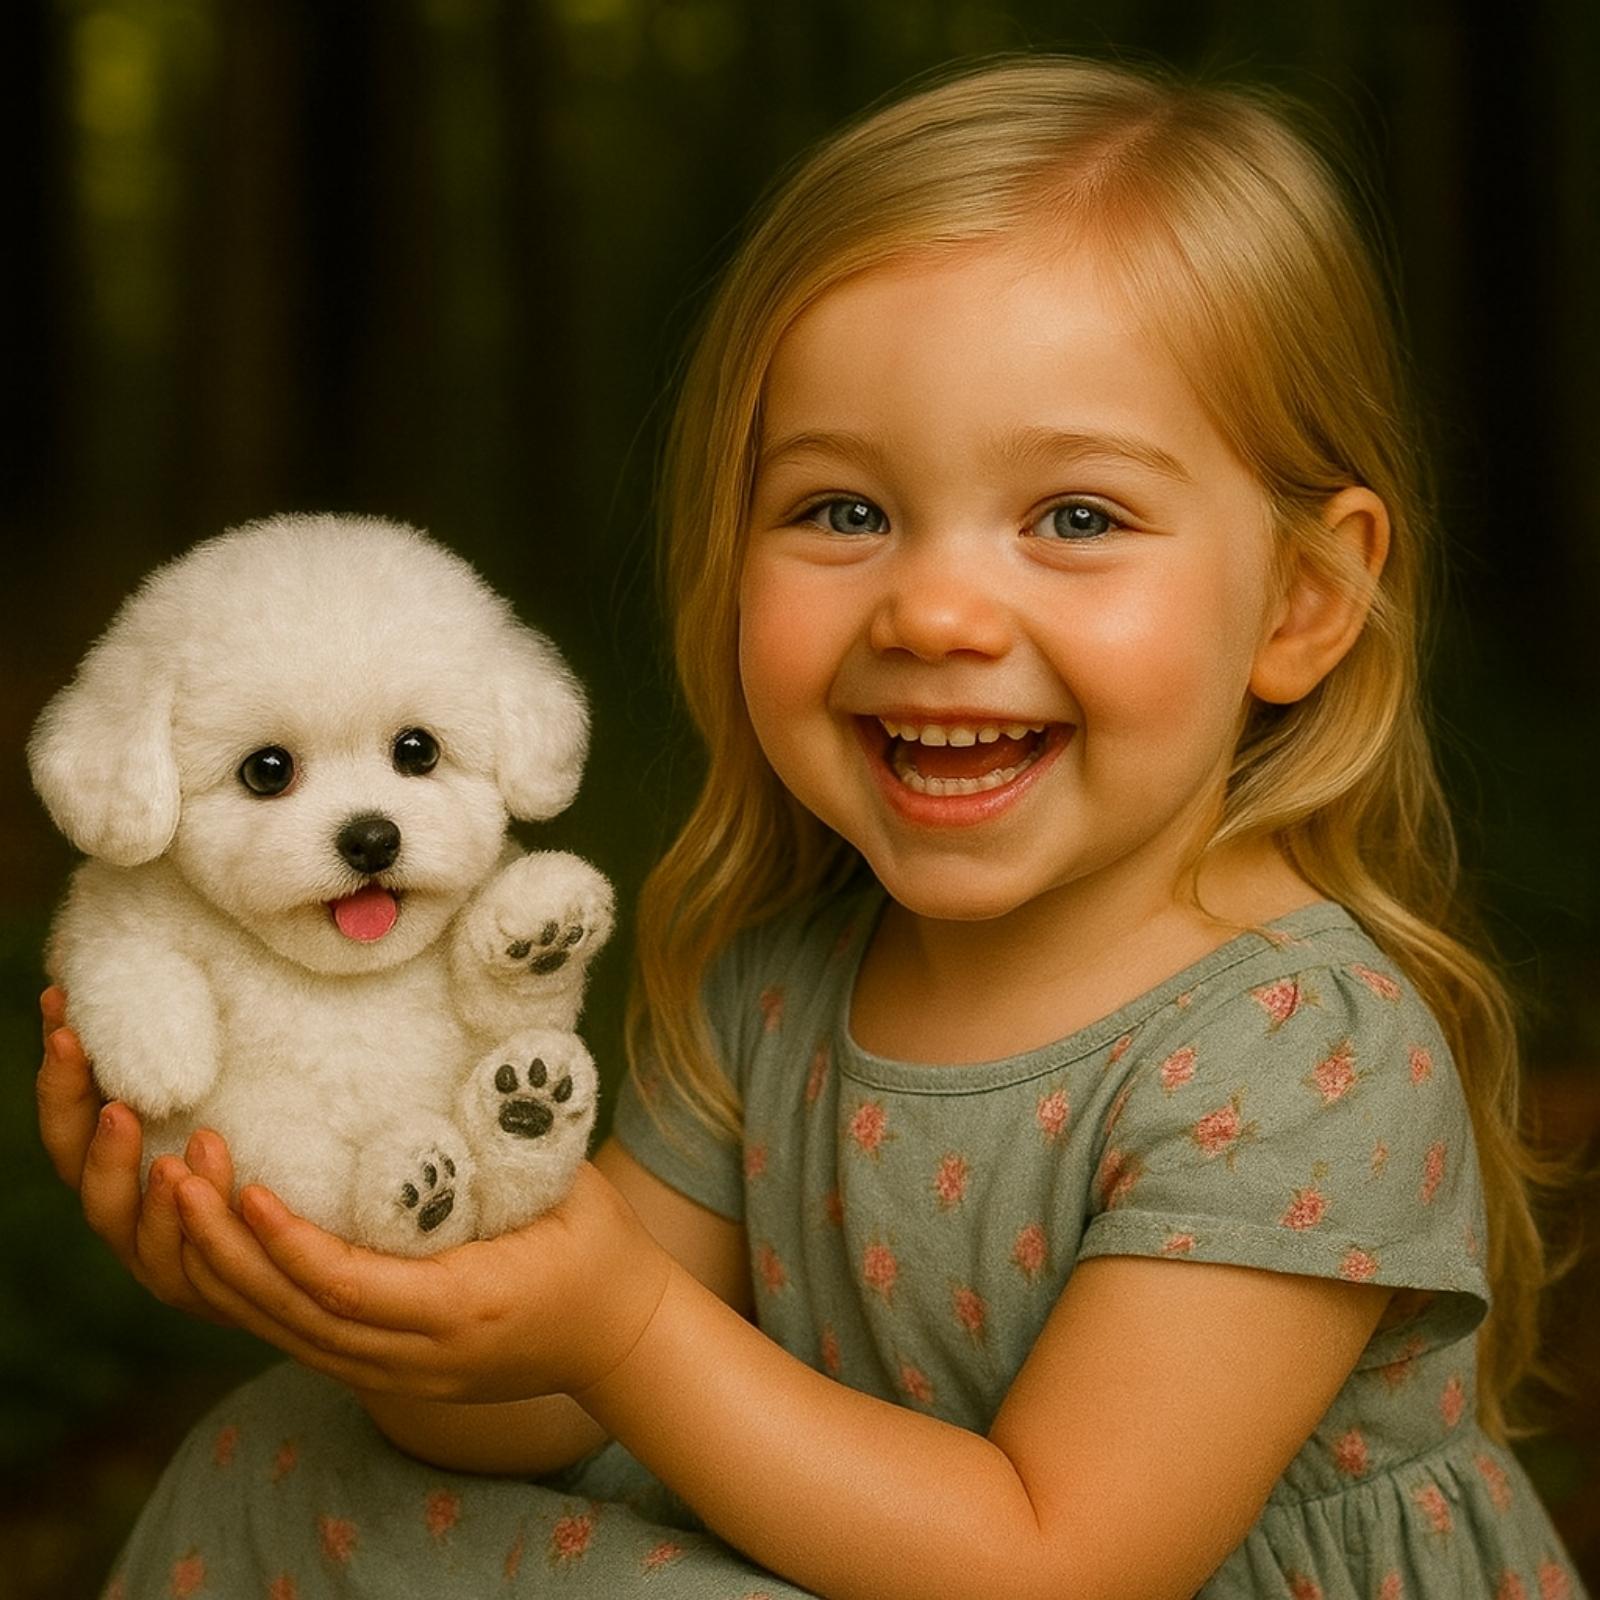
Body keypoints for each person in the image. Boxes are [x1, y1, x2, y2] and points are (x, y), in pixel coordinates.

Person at [36, 52, 1590, 1600]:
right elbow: (541, 1399)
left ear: (1304, 601)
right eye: (844, 511)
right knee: (291, 1450)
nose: (932, 608)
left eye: (1077, 518)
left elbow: (1055, 1563)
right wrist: (345, 1298)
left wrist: (626, 1323)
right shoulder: (781, 977)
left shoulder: (1303, 1056)